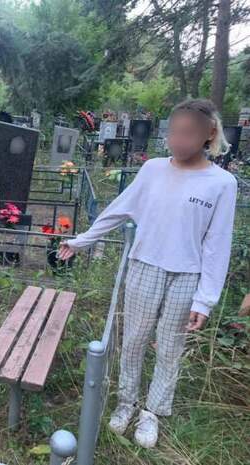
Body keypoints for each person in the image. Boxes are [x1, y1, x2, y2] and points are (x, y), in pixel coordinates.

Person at [58, 99, 237, 448]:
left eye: (188, 134)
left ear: (209, 133)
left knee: (170, 348)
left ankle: (152, 412)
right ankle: (126, 402)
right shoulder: (153, 169)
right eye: (174, 132)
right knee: (134, 341)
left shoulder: (222, 183)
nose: (178, 140)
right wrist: (82, 241)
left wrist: (205, 300)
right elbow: (118, 210)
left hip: (186, 277)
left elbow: (218, 245)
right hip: (144, 267)